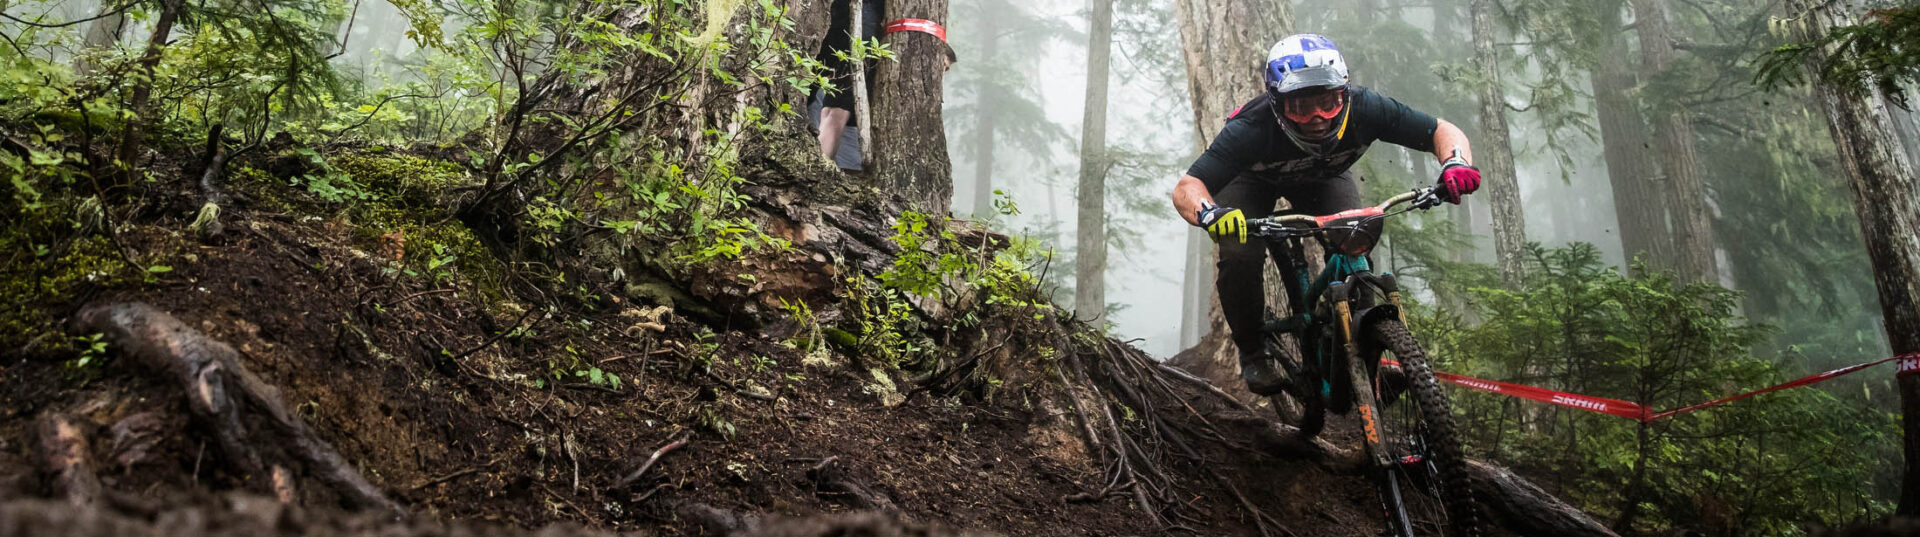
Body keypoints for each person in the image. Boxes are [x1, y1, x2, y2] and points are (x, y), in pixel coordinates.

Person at [1168, 34, 1483, 395]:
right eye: (1301, 108)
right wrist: (1210, 212)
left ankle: (1367, 359)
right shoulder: (1251, 128)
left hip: (1324, 177)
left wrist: (1455, 162)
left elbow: (1441, 130)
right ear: (1276, 103)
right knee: (1239, 253)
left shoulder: (1367, 108)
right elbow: (1188, 186)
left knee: (1356, 240)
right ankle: (1254, 352)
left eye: (1329, 103)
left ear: (1345, 93)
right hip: (1252, 181)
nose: (1318, 118)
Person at [814, 0, 884, 166]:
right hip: (860, 28)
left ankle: (819, 165)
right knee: (836, 111)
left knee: (831, 109)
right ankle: (819, 168)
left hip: (840, 21)